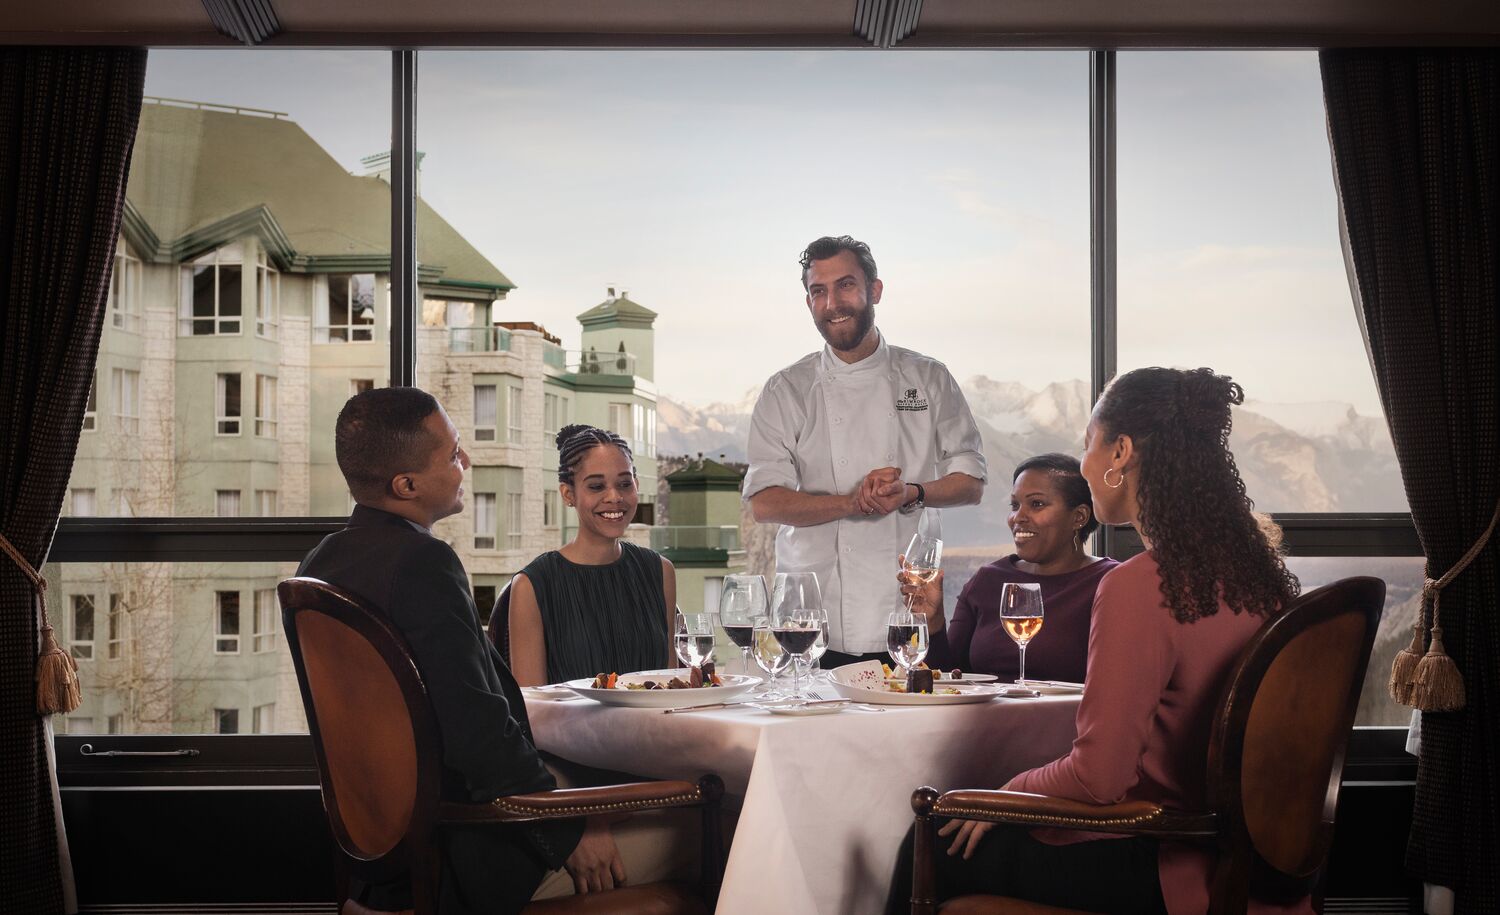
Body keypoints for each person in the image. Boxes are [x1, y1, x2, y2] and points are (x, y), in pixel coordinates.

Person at [888, 367, 1302, 915]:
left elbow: (1099, 776)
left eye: (1089, 445)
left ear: (1120, 453)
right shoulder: (1256, 574)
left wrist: (1006, 793)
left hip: (1162, 859)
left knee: (928, 842)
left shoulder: (1139, 584)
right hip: (1254, 867)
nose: (1084, 461)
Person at [299, 389, 686, 914]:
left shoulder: (320, 565)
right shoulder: (423, 565)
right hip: (470, 854)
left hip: (382, 860)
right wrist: (569, 833)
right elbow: (476, 735)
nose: (467, 461)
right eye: (454, 453)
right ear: (406, 485)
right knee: (704, 826)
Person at [744, 234, 987, 666]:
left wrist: (911, 492)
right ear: (808, 303)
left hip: (906, 613)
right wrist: (852, 502)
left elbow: (971, 484)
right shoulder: (787, 390)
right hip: (811, 624)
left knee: (911, 733)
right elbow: (764, 503)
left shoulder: (928, 377)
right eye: (818, 291)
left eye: (846, 285)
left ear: (875, 290)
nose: (833, 303)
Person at [898, 453, 1116, 682]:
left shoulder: (1110, 583)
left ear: (1079, 517)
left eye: (1037, 504)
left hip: (1067, 717)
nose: (1017, 517)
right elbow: (950, 677)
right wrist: (933, 621)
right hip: (984, 717)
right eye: (1015, 505)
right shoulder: (988, 581)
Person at [509, 424, 675, 686]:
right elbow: (532, 707)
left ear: (637, 485)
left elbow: (670, 684)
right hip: (568, 728)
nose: (614, 496)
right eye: (596, 486)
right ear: (568, 494)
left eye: (624, 483)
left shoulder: (659, 571)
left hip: (657, 727)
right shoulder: (532, 585)